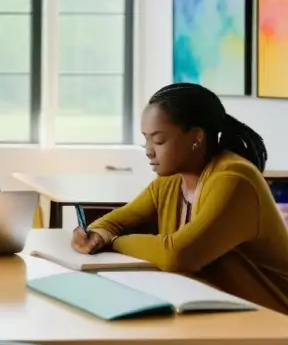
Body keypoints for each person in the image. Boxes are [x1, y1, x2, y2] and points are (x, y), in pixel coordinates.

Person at [73, 83, 288, 313]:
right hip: (223, 313)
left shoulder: (234, 180)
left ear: (196, 137)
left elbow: (178, 254)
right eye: (146, 139)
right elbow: (112, 222)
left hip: (274, 322)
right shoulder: (170, 182)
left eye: (159, 140)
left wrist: (113, 242)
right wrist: (96, 234)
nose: (148, 150)